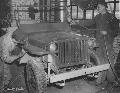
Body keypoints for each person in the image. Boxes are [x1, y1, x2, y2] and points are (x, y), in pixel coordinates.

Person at [81, 1, 119, 83]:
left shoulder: (111, 17)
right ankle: (100, 79)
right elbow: (88, 23)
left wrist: (107, 32)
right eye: (97, 7)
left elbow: (116, 30)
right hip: (98, 43)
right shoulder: (97, 17)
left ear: (104, 7)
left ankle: (111, 80)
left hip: (107, 43)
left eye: (99, 6)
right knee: (100, 61)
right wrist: (74, 21)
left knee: (109, 61)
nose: (97, 8)